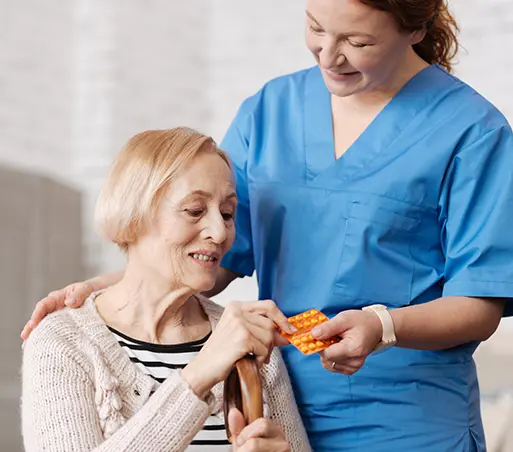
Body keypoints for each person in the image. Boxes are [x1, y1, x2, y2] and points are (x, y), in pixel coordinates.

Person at [22, 0, 513, 450]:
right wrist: (104, 290)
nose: (328, 55)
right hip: (273, 401)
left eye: (358, 43)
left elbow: (480, 303)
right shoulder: (270, 110)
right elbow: (210, 253)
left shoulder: (472, 131)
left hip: (409, 423)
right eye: (316, 28)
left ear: (416, 29)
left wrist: (382, 326)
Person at [21, 127, 311, 452]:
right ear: (134, 215)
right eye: (194, 210)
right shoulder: (61, 342)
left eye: (228, 213)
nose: (220, 232)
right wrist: (198, 375)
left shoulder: (250, 344)